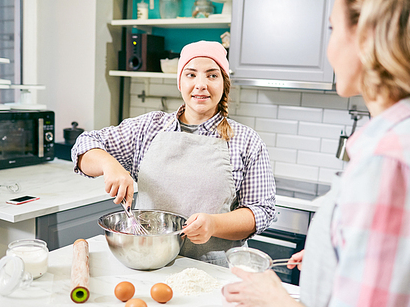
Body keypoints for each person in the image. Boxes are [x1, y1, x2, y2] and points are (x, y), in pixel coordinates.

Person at [223, 0, 410, 307]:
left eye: (333, 29)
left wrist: (275, 299)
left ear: (369, 37)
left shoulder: (390, 163)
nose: (329, 50)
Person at [71, 41, 275, 266]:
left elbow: (261, 212)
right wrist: (109, 165)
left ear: (224, 83)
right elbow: (84, 146)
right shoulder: (149, 127)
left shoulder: (247, 141)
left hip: (214, 271)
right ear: (180, 82)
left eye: (212, 75)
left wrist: (215, 225)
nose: (200, 85)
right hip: (148, 263)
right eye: (191, 74)